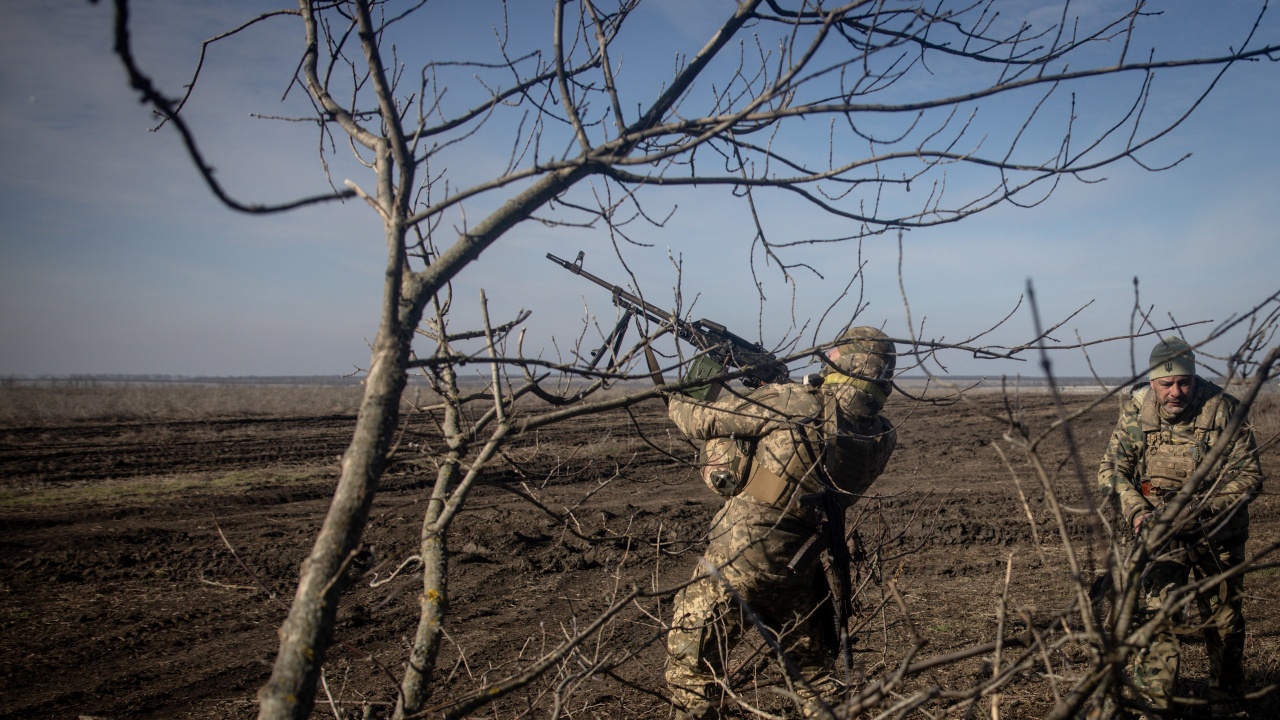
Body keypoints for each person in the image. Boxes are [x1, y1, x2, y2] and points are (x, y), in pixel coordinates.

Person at [664, 326, 899, 720]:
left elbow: (691, 417)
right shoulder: (882, 435)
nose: (827, 362)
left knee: (691, 677)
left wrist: (707, 367)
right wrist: (777, 385)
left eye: (834, 358)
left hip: (739, 558)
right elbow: (822, 426)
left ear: (847, 363)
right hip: (800, 566)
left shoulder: (796, 402)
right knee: (816, 682)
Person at [1097, 336, 1264, 717]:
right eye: (1166, 384)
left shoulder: (1222, 410)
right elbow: (1111, 470)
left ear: (1194, 378)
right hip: (1160, 539)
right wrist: (1138, 512)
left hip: (1217, 537)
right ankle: (1153, 709)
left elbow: (1250, 477)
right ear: (1152, 381)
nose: (1176, 392)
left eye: (1184, 383)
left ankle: (1227, 705)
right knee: (1159, 622)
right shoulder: (1137, 413)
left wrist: (1197, 513)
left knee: (1224, 625)